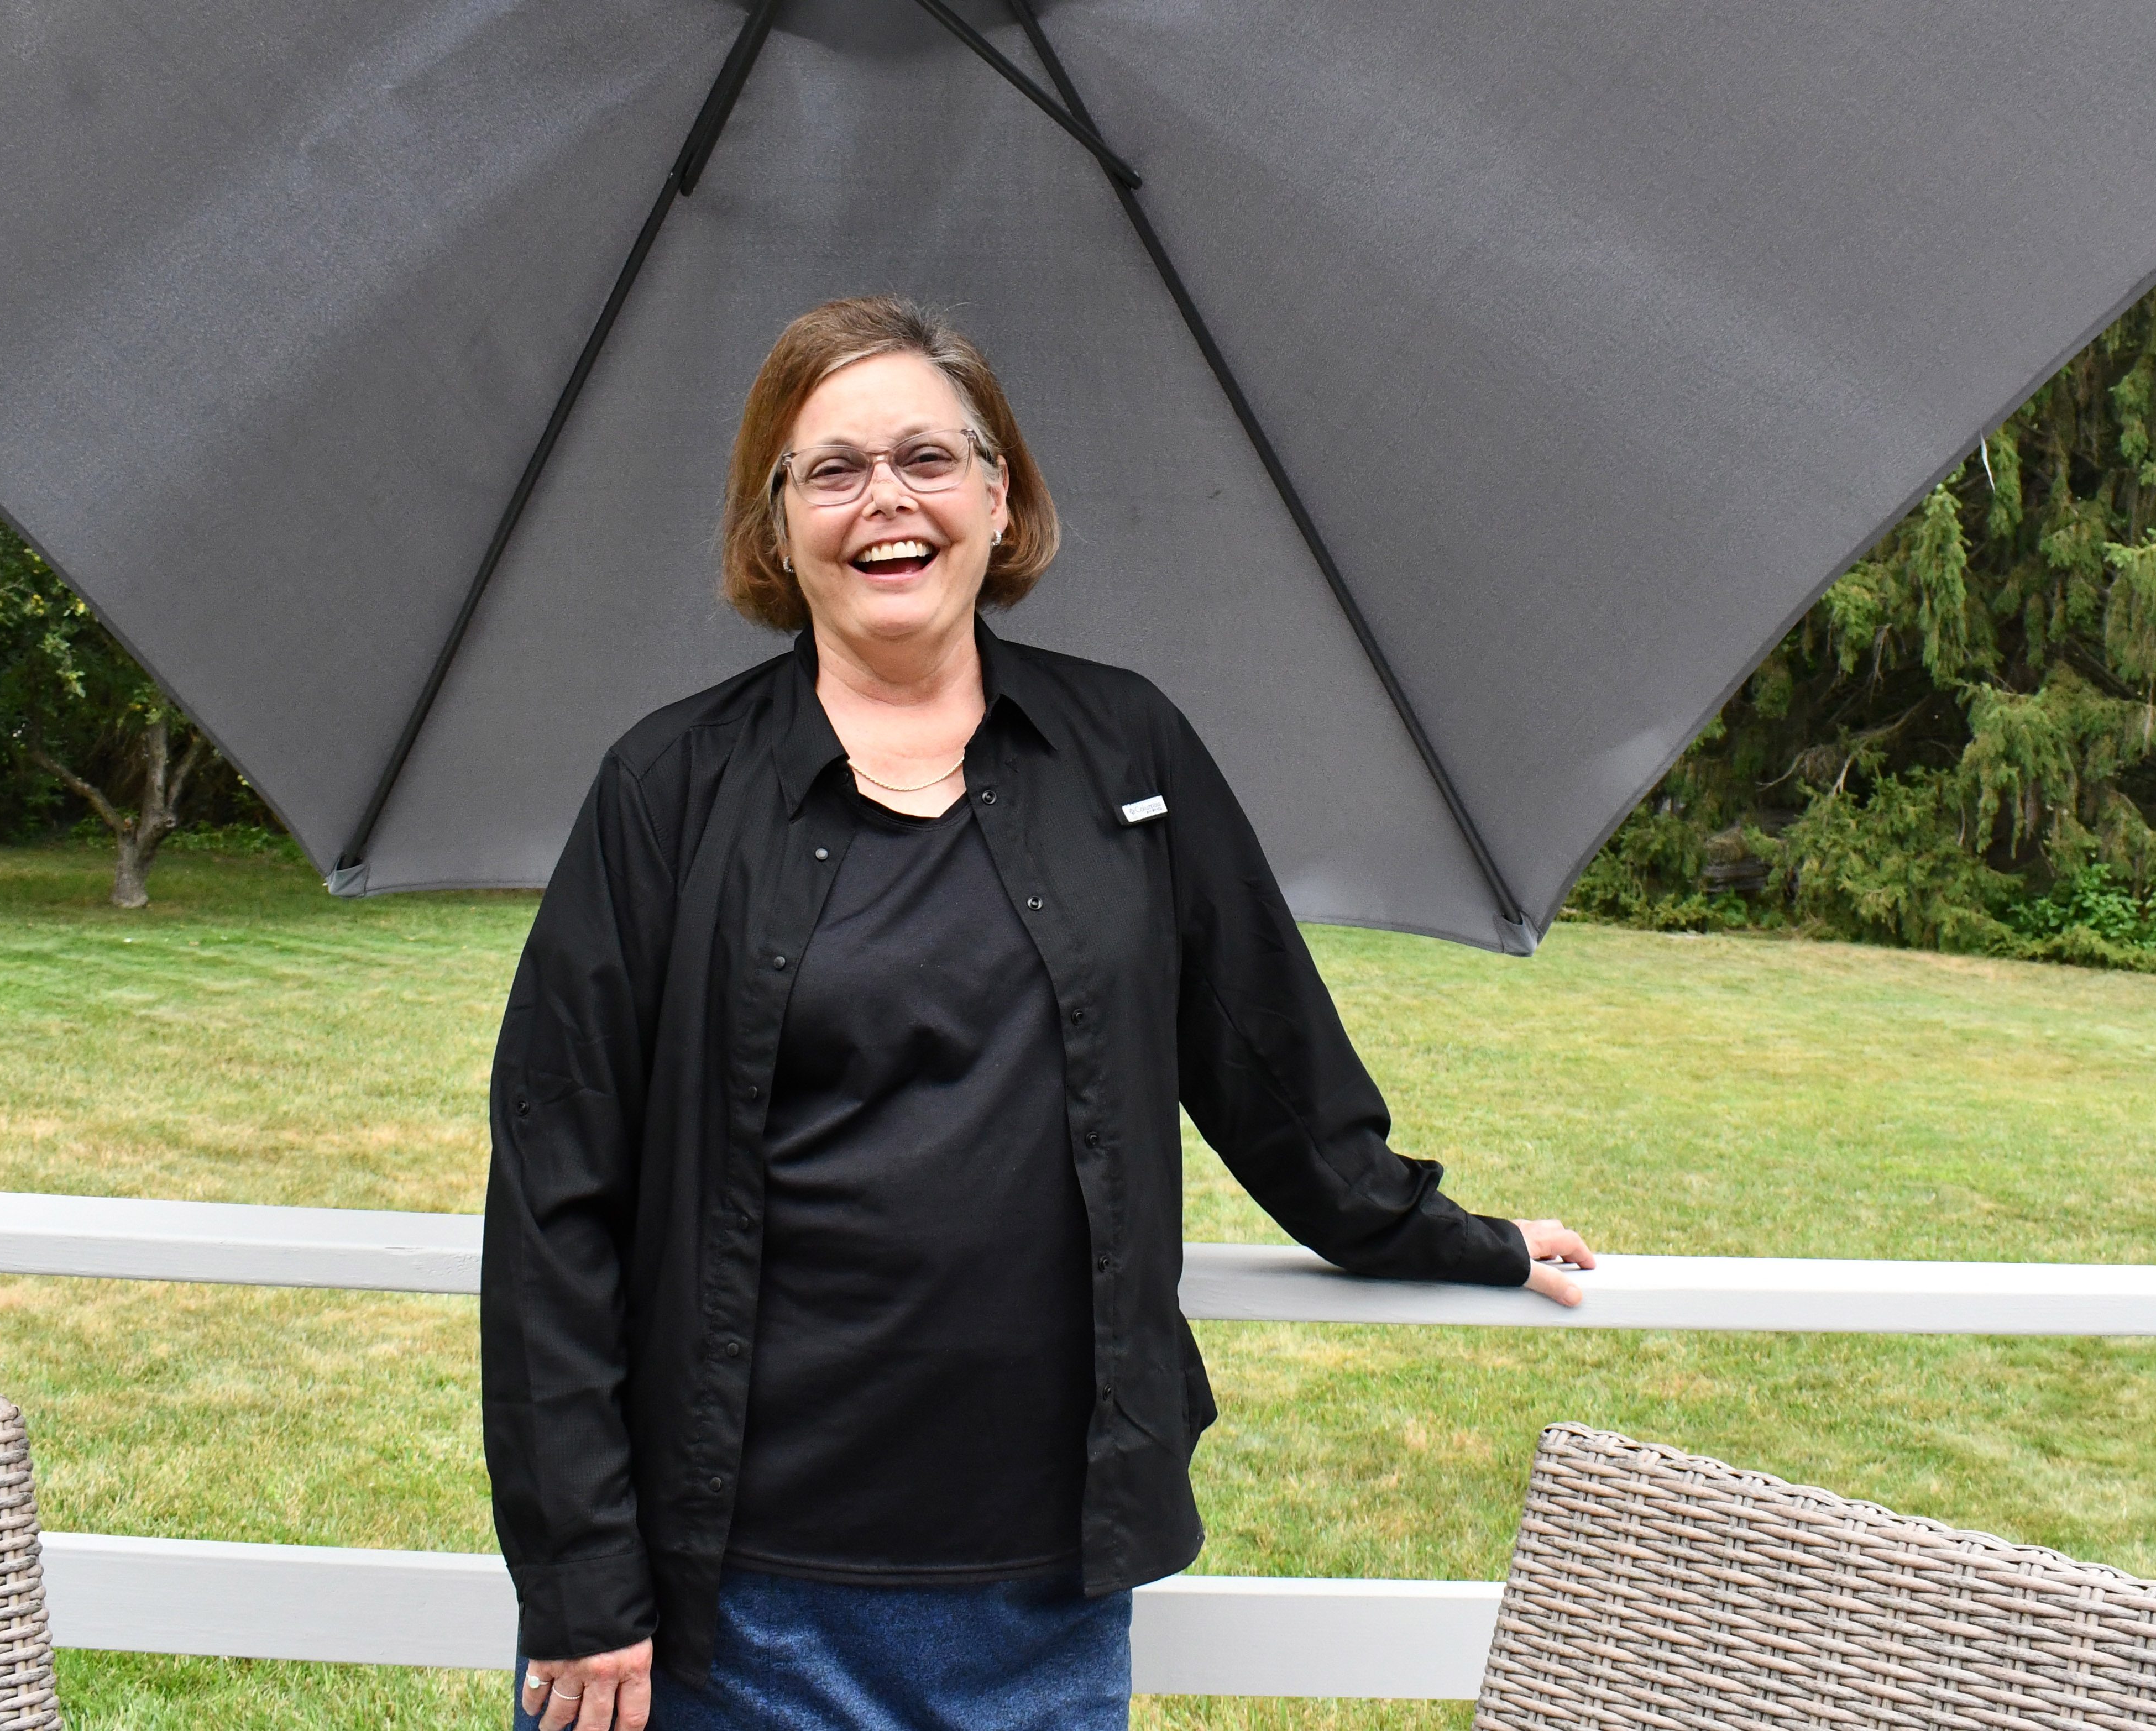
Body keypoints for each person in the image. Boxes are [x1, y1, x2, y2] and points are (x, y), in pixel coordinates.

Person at [485, 295, 1594, 1731]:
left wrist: (1452, 1235)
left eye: (930, 458)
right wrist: (583, 1574)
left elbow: (1271, 1066)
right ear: (775, 528)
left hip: (1044, 1590)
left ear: (1001, 498)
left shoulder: (1129, 750)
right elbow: (556, 1190)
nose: (887, 501)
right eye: (831, 470)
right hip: (728, 1602)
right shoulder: (667, 791)